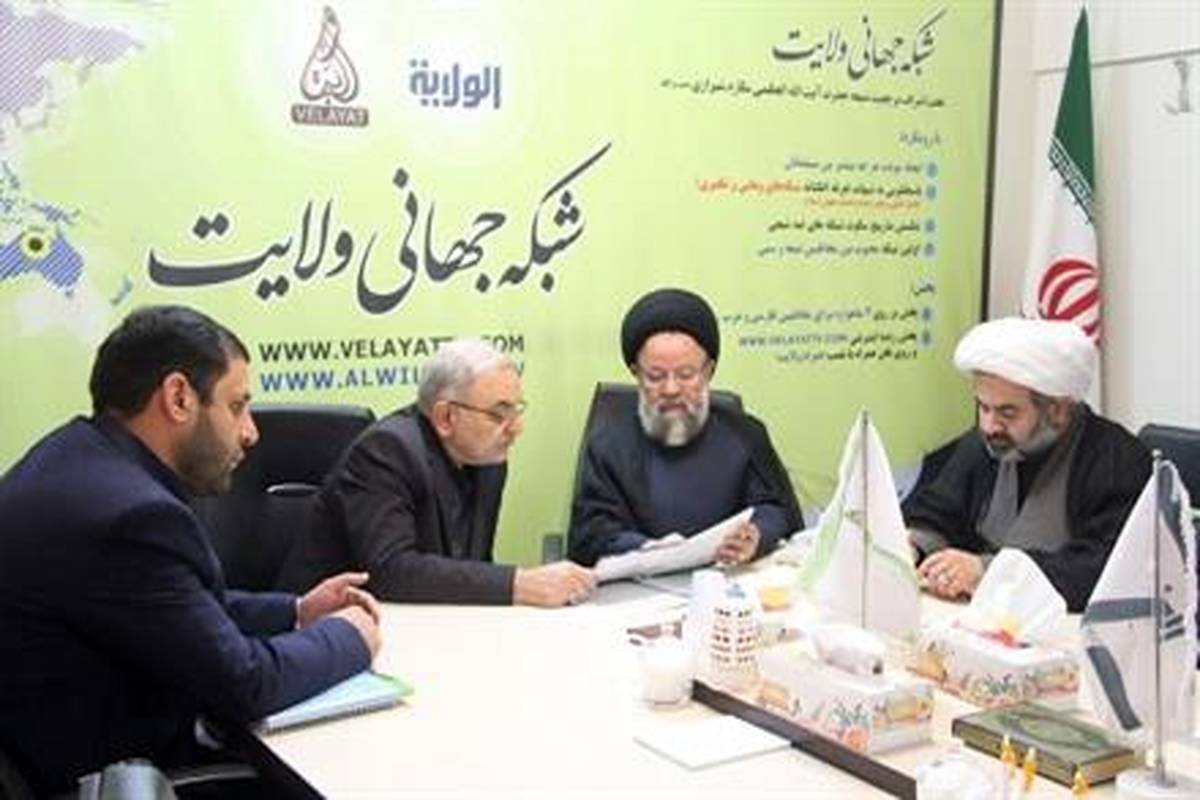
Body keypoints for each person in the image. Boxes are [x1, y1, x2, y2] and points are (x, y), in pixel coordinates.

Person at [0, 305, 382, 796]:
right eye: (237, 406)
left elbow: (180, 610)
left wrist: (296, 612)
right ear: (178, 397)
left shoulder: (77, 457)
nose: (251, 431)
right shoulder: (130, 515)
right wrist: (351, 637)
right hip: (126, 779)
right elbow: (246, 685)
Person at [278, 339, 596, 607]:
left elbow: (473, 565)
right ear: (445, 417)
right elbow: (391, 570)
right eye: (498, 414)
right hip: (326, 628)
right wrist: (518, 584)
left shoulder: (488, 458)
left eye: (516, 410)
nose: (516, 428)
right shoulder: (387, 450)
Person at [902, 317, 1151, 611]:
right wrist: (913, 545)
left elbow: (1102, 569)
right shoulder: (984, 444)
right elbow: (938, 511)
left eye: (1007, 413)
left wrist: (988, 573)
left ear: (1057, 411)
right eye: (983, 407)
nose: (989, 426)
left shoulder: (1117, 461)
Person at [568, 287, 803, 567]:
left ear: (708, 371)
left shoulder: (745, 435)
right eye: (655, 376)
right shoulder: (608, 445)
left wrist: (756, 534)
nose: (671, 389)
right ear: (636, 374)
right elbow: (592, 535)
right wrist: (648, 549)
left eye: (686, 374)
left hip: (727, 583)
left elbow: (775, 509)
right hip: (638, 586)